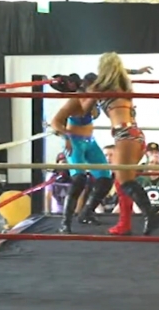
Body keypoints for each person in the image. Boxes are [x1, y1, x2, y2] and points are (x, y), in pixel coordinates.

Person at [79, 53, 159, 235]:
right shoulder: (124, 84)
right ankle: (125, 224)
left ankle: (151, 215)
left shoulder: (100, 86)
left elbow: (83, 110)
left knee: (125, 182)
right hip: (135, 134)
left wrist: (82, 92)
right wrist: (137, 71)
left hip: (125, 135)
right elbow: (120, 72)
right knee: (120, 181)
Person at [50, 73, 118, 234]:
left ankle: (86, 212)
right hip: (74, 141)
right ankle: (65, 222)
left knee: (106, 178)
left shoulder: (94, 99)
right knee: (79, 179)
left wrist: (136, 72)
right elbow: (55, 122)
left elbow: (112, 74)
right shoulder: (75, 100)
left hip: (90, 142)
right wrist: (65, 136)